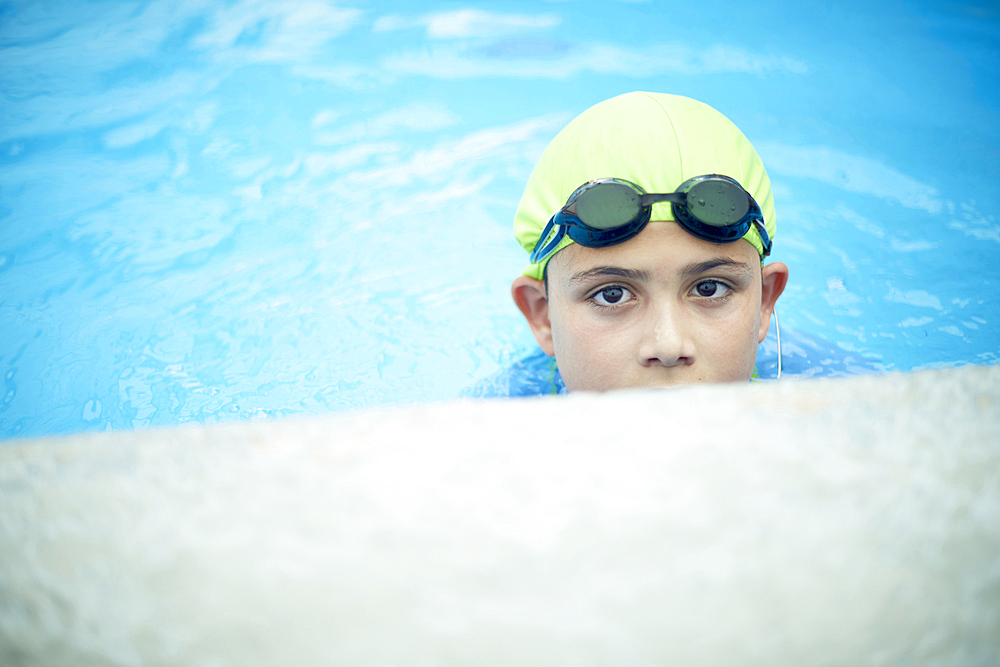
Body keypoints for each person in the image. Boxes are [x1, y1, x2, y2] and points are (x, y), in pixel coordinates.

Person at [471, 91, 790, 397]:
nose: (669, 347)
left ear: (765, 302)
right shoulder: (486, 426)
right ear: (543, 316)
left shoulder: (827, 393)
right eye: (612, 295)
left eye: (710, 289)